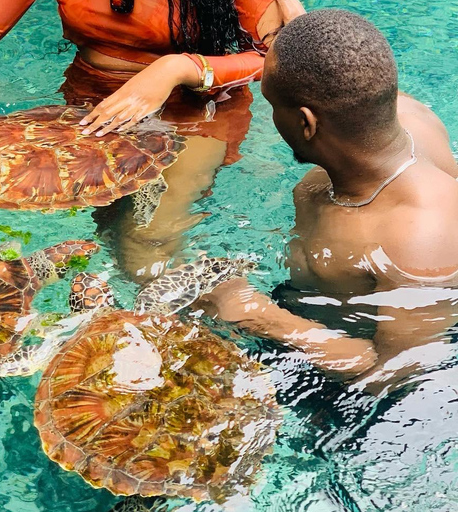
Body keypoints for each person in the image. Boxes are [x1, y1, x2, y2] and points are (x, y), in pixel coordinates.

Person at [0, 0, 305, 282]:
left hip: (195, 106)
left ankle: (236, 313)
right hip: (90, 104)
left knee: (144, 251)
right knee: (109, 234)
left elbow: (279, 59)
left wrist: (175, 69)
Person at [196, 9, 458, 392]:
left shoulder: (420, 235)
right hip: (319, 313)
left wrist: (259, 315)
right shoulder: (385, 109)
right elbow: (343, 64)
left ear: (307, 123)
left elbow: (397, 374)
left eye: (271, 105)